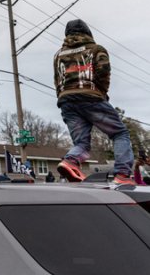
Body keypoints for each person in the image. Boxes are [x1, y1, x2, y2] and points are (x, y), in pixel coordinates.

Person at [54, 19, 135, 185]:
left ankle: (70, 161)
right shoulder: (96, 50)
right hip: (91, 97)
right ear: (87, 32)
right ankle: (123, 175)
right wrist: (102, 94)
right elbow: (104, 72)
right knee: (119, 133)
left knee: (82, 143)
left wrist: (63, 98)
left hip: (66, 101)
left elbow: (57, 80)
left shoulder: (58, 55)